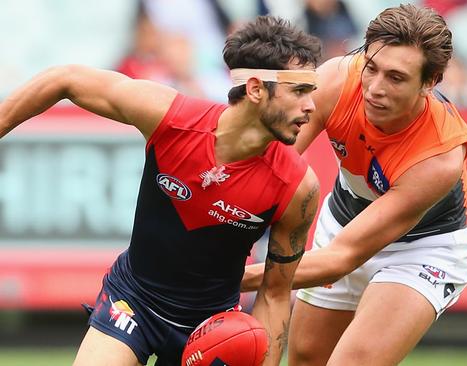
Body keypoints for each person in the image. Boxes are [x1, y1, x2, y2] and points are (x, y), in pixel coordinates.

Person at [0, 16, 321, 366]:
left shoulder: (298, 187)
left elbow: (274, 295)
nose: (311, 107)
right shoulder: (172, 118)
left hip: (212, 328)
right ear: (257, 89)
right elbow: (65, 80)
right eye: (299, 91)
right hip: (132, 301)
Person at [243, 4, 467, 365]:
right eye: (371, 68)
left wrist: (232, 278)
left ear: (430, 83)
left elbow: (342, 258)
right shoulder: (337, 79)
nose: (374, 89)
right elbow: (273, 169)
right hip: (344, 218)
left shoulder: (441, 155)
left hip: (423, 248)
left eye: (396, 78)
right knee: (306, 359)